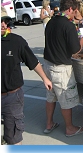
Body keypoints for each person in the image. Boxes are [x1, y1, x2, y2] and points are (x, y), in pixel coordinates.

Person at [1, 10, 52, 145]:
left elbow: (33, 61)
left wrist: (45, 78)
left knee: (13, 137)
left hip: (11, 97)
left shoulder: (16, 41)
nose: (2, 24)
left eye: (5, 21)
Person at [43, 0, 83, 137]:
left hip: (48, 65)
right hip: (61, 69)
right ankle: (70, 128)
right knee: (66, 100)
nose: (75, 14)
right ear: (70, 9)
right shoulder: (68, 25)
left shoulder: (50, 22)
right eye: (74, 11)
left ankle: (49, 124)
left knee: (51, 97)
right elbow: (74, 50)